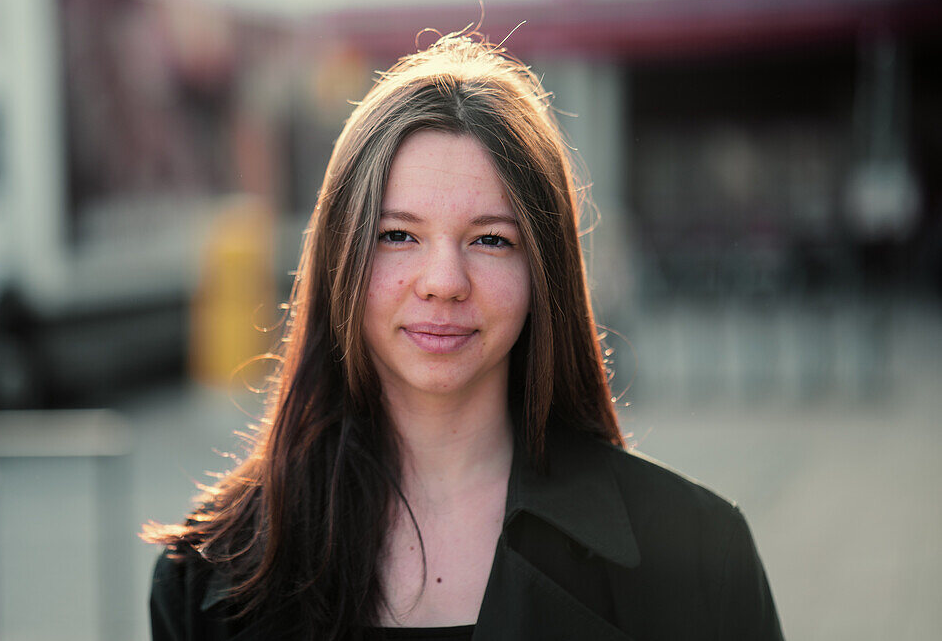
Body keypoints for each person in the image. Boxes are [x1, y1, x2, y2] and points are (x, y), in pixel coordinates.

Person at [144, 33, 784, 641]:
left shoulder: (700, 554)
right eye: (398, 235)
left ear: (544, 270)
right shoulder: (209, 574)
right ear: (339, 258)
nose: (444, 282)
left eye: (491, 240)